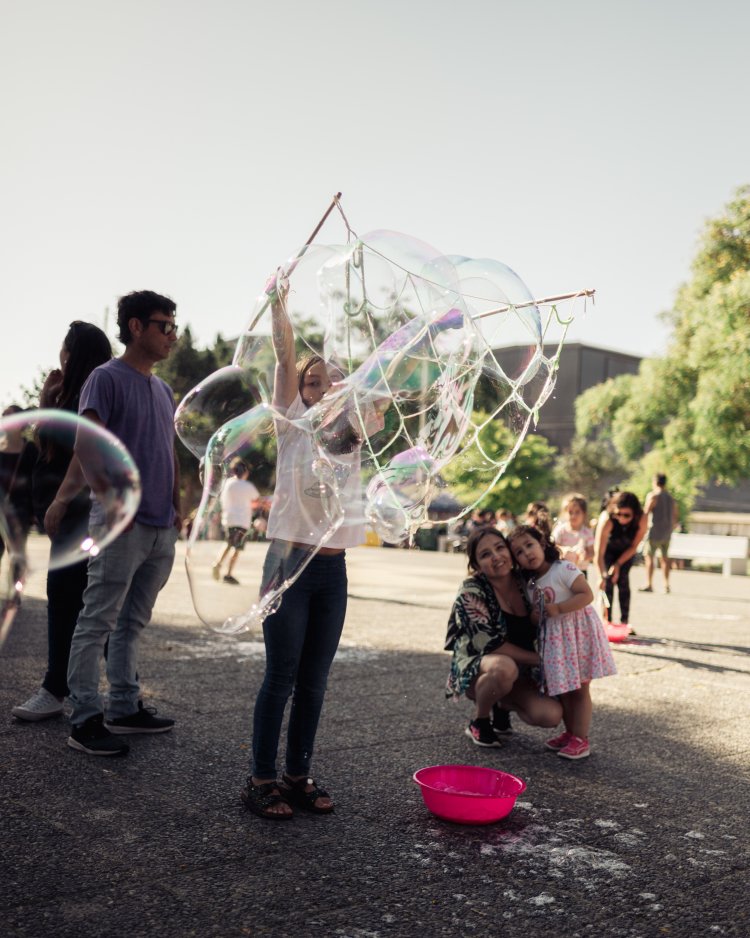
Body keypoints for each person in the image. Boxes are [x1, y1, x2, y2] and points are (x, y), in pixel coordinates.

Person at [45, 291, 182, 757]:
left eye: (174, 327)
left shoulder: (163, 389)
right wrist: (112, 505)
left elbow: (168, 451)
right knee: (96, 620)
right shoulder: (105, 378)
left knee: (133, 621)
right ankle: (84, 717)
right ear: (136, 326)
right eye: (164, 326)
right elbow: (88, 445)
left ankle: (124, 706)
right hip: (122, 525)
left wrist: (177, 505)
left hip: (161, 525)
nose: (172, 336)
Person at [12, 322, 112, 721]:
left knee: (74, 600)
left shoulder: (88, 396)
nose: (60, 355)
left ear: (73, 353)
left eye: (64, 349)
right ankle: (117, 686)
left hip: (78, 513)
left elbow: (62, 446)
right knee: (95, 603)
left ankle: (57, 688)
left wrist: (46, 400)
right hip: (72, 512)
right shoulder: (79, 393)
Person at [445, 526, 563, 748]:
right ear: (477, 565)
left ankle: (501, 704)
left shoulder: (526, 582)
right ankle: (480, 720)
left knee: (550, 715)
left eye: (500, 548)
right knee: (504, 668)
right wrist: (540, 659)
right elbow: (487, 643)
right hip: (481, 665)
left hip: (522, 669)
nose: (496, 556)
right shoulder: (471, 590)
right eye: (485, 554)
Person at [508, 524, 617, 760]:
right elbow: (537, 615)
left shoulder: (562, 568)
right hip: (557, 642)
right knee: (566, 690)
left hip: (577, 635)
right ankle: (571, 734)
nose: (527, 553)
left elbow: (586, 595)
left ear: (543, 544)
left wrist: (559, 608)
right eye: (519, 552)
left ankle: (581, 738)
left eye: (529, 545)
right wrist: (536, 617)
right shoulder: (529, 585)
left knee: (580, 689)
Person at [594, 491, 648, 633]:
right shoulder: (607, 518)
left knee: (623, 582)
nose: (622, 519)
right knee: (607, 584)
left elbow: (634, 546)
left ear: (635, 513)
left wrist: (618, 565)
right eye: (619, 514)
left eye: (627, 515)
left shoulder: (642, 518)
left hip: (626, 551)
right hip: (607, 551)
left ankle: (625, 623)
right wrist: (601, 575)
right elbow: (598, 552)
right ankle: (607, 623)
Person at [0, 404, 38, 583]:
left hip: (20, 508)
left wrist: (33, 511)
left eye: (9, 415)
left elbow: (34, 482)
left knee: (16, 552)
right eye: (4, 415)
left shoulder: (29, 449)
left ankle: (15, 590)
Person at [212, 459, 260, 584]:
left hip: (229, 519)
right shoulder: (247, 486)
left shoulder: (227, 483)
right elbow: (256, 501)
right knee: (237, 548)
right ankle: (228, 574)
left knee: (228, 543)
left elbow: (221, 500)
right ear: (245, 473)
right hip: (242, 520)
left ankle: (217, 563)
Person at [640, 474, 679, 594]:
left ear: (655, 482)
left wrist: (642, 529)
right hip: (667, 532)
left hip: (654, 531)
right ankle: (666, 585)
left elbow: (646, 513)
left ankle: (649, 584)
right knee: (665, 558)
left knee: (649, 557)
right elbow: (675, 515)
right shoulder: (671, 498)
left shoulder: (653, 496)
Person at [551, 493, 595, 574]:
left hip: (580, 571)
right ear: (565, 513)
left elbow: (592, 552)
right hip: (562, 569)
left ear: (584, 513)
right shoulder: (560, 530)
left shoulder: (587, 532)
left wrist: (585, 555)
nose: (573, 516)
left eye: (577, 512)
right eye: (570, 512)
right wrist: (563, 550)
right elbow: (553, 546)